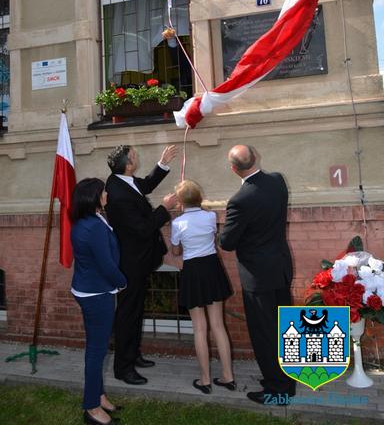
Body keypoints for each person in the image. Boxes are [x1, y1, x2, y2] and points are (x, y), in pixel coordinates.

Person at [220, 145, 295, 405]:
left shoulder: (240, 199)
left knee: (265, 334)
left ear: (233, 169)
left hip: (258, 277)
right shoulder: (277, 181)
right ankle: (287, 382)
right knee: (286, 329)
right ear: (256, 157)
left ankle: (277, 390)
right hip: (281, 267)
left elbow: (227, 242)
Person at [105, 144, 178, 385]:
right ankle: (123, 368)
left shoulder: (125, 181)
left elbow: (144, 186)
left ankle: (133, 355)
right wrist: (164, 208)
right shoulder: (117, 193)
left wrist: (163, 164)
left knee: (135, 312)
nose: (137, 158)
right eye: (135, 156)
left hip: (139, 260)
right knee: (128, 314)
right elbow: (143, 229)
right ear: (127, 164)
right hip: (130, 263)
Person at [71, 178, 127, 425]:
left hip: (91, 289)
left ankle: (99, 395)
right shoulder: (92, 226)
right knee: (97, 351)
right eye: (103, 191)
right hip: (97, 293)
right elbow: (105, 264)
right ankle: (91, 407)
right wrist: (121, 282)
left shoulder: (89, 220)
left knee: (98, 348)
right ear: (94, 196)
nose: (106, 194)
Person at [171, 179, 234, 394]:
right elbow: (212, 237)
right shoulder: (210, 216)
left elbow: (177, 252)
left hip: (193, 269)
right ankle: (228, 377)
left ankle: (205, 379)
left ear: (180, 202)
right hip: (211, 267)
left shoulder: (178, 223)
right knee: (218, 325)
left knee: (199, 328)